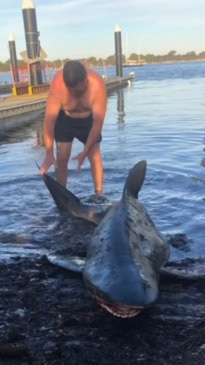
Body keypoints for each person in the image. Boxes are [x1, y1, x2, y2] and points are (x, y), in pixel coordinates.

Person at [40, 60, 107, 196]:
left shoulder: (97, 86)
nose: (74, 93)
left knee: (94, 155)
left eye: (77, 90)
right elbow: (49, 122)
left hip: (88, 122)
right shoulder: (58, 85)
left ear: (85, 81)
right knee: (62, 156)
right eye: (70, 90)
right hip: (65, 119)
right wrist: (48, 154)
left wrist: (84, 153)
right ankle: (62, 193)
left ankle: (99, 194)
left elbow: (97, 124)